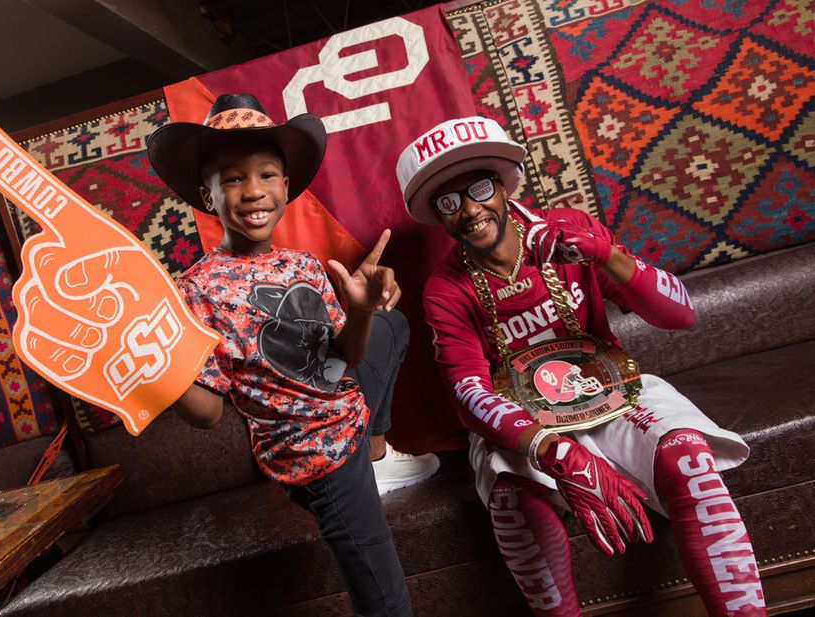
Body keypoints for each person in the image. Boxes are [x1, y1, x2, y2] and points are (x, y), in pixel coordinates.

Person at [395, 116, 768, 617]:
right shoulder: (447, 288)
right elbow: (468, 394)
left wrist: (606, 255)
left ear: (504, 187)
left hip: (611, 393)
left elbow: (680, 314)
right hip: (521, 421)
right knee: (510, 504)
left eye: (479, 188)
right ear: (439, 217)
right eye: (449, 201)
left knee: (689, 460)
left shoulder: (569, 231)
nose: (469, 210)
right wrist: (556, 453)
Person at [146, 93, 434, 617]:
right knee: (385, 596)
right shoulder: (195, 292)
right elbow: (208, 414)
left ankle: (376, 452)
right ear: (206, 196)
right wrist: (155, 364)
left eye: (267, 175)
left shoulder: (301, 263)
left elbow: (339, 360)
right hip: (313, 451)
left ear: (285, 187)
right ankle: (360, 461)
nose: (253, 190)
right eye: (232, 178)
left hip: (342, 402)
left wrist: (362, 311)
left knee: (393, 321)